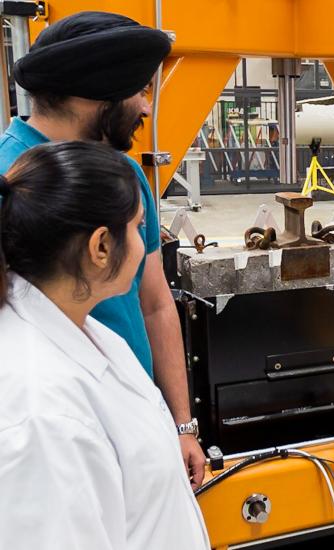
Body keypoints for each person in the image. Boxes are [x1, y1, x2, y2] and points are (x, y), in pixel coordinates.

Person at [0, 10, 205, 486]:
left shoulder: (124, 176)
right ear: (97, 94)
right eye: (140, 91)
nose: (147, 109)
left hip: (135, 419)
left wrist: (181, 424)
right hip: (58, 443)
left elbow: (153, 302)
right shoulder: (9, 179)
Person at [0, 141, 210, 549]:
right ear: (100, 247)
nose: (145, 241)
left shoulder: (91, 333)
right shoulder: (41, 414)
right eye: (137, 227)